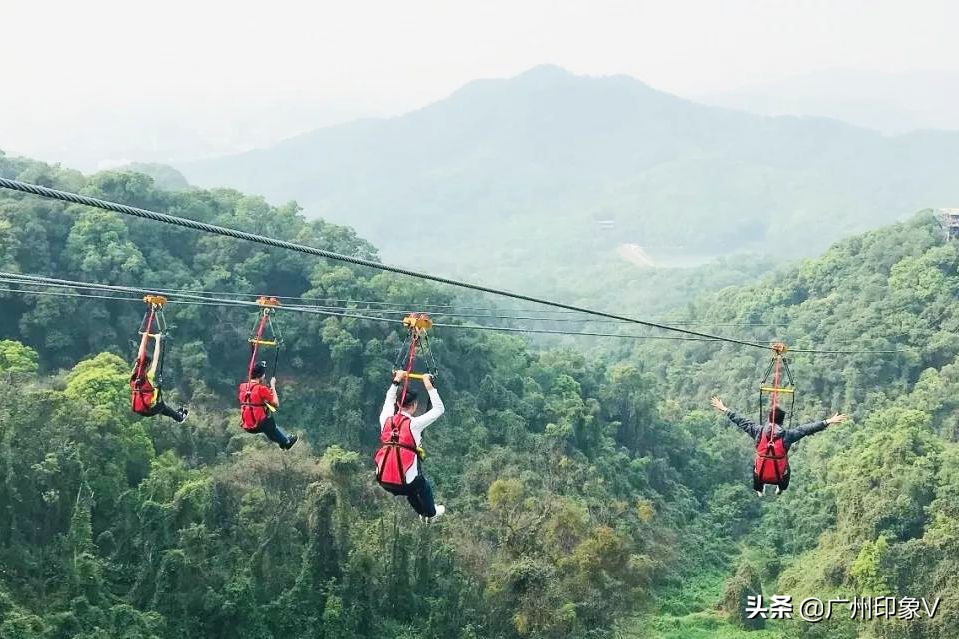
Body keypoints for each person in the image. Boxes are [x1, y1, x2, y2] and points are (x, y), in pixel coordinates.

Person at [710, 396, 846, 496]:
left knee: (756, 469)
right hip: (779, 476)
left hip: (760, 475)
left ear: (769, 419)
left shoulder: (758, 431)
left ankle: (759, 489)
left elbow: (740, 421)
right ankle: (780, 488)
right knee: (787, 471)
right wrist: (828, 421)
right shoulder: (787, 435)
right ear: (782, 421)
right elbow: (807, 429)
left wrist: (724, 409)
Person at [374, 371, 446, 522]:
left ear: (398, 404)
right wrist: (429, 385)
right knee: (422, 485)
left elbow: (389, 399)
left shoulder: (385, 418)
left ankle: (422, 513)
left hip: (383, 480)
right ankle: (431, 514)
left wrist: (397, 381)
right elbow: (439, 409)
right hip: (406, 483)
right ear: (414, 405)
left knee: (411, 491)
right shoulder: (414, 424)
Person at [238, 360, 298, 450]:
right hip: (258, 424)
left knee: (270, 427)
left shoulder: (243, 387)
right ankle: (286, 442)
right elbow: (276, 404)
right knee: (269, 422)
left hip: (247, 426)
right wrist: (273, 386)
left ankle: (283, 440)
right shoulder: (261, 389)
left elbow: (252, 398)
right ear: (260, 375)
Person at [130, 333, 188, 423]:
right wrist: (157, 340)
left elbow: (140, 355)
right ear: (148, 365)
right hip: (148, 409)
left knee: (163, 408)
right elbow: (155, 358)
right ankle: (180, 418)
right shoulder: (148, 376)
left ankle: (177, 416)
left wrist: (144, 337)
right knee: (162, 407)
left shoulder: (134, 376)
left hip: (138, 407)